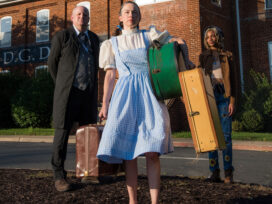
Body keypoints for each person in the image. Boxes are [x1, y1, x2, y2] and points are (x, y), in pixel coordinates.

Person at [97, 1, 188, 203]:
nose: (131, 15)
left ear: (139, 16)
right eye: (127, 12)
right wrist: (105, 104)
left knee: (152, 151)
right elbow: (110, 76)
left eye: (134, 12)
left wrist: (185, 52)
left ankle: (155, 201)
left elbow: (174, 45)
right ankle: (133, 201)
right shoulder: (111, 44)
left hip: (149, 95)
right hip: (125, 97)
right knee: (128, 153)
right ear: (121, 17)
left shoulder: (149, 36)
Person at [48, 6, 99, 192]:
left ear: (88, 18)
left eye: (85, 14)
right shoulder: (63, 37)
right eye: (78, 14)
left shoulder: (93, 39)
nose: (82, 17)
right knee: (62, 133)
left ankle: (87, 173)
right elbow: (52, 65)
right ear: (72, 17)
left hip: (88, 94)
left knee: (87, 134)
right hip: (68, 94)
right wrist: (63, 84)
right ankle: (59, 176)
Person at [199, 26, 238, 184]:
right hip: (209, 96)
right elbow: (199, 76)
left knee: (226, 136)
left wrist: (232, 101)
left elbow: (233, 80)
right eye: (207, 37)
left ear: (218, 37)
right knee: (211, 136)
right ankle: (214, 172)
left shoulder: (227, 55)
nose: (210, 39)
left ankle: (228, 173)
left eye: (213, 36)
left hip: (223, 96)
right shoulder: (203, 56)